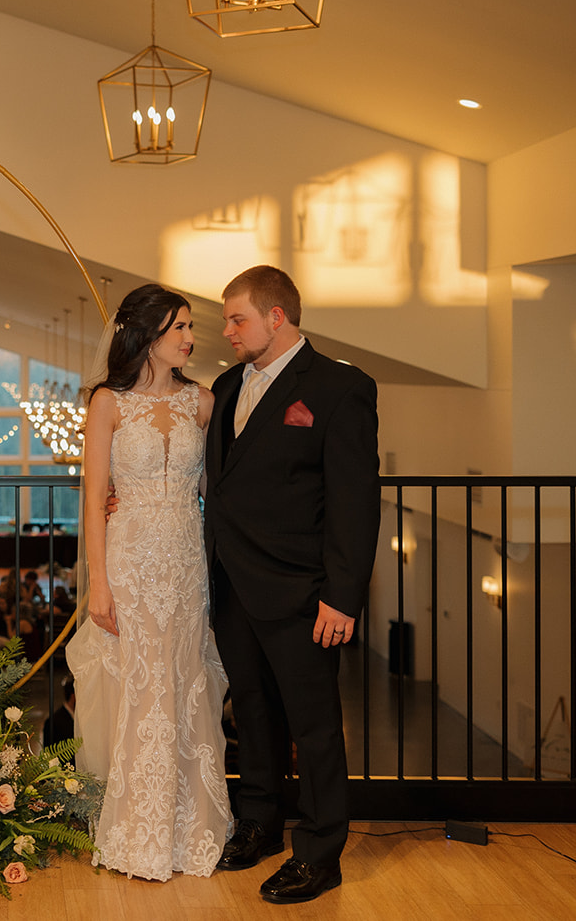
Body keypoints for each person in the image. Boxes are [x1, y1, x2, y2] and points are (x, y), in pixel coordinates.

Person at [205, 265, 379, 905]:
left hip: (304, 593)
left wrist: (342, 596)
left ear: (276, 317)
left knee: (315, 726)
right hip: (233, 586)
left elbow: (355, 502)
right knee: (251, 713)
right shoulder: (227, 386)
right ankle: (260, 822)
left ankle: (320, 853)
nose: (227, 331)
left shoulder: (340, 387)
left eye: (238, 319)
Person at [68, 283, 231, 880]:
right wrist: (99, 584)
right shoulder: (107, 403)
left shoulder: (203, 403)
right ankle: (136, 829)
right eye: (180, 327)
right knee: (137, 686)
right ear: (147, 334)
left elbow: (218, 489)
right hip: (129, 563)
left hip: (186, 563)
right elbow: (94, 499)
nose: (191, 337)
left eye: (190, 327)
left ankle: (190, 826)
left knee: (184, 683)